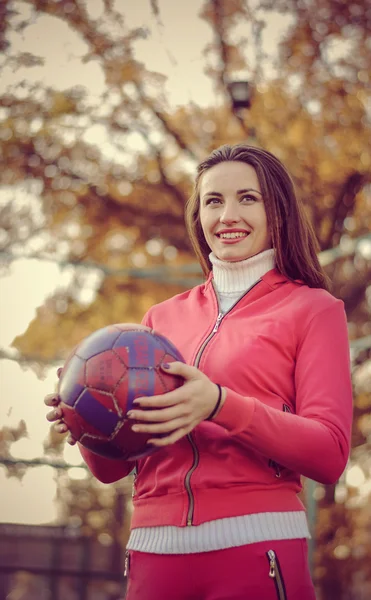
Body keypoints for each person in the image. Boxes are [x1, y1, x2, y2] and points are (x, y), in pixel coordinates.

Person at [45, 144, 353, 600]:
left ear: (279, 212)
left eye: (248, 198)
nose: (228, 215)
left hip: (257, 551)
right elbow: (112, 470)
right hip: (153, 554)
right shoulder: (159, 319)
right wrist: (84, 422)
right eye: (213, 200)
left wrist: (220, 405)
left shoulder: (313, 309)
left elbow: (329, 453)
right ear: (198, 215)